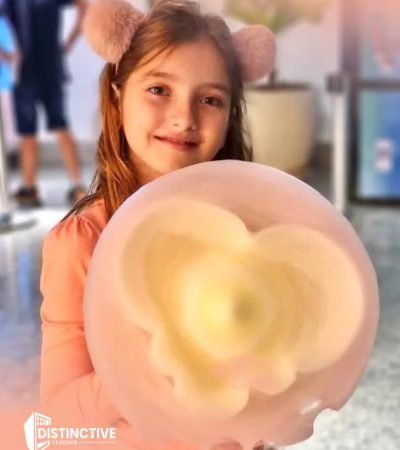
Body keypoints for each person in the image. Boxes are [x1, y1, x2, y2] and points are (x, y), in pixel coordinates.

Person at [39, 0, 275, 448]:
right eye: (159, 89)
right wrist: (162, 358)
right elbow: (57, 420)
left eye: (210, 99)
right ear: (117, 93)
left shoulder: (249, 229)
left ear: (229, 116)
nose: (184, 117)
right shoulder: (81, 244)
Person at [1, 0, 87, 207]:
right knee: (28, 133)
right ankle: (30, 187)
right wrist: (6, 54)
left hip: (48, 70)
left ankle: (77, 185)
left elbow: (83, 6)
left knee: (59, 125)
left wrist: (70, 41)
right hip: (26, 72)